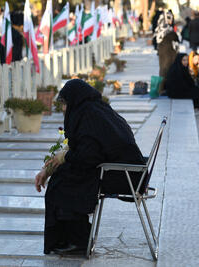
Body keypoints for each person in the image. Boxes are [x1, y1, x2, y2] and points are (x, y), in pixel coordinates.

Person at [34, 79, 145, 255]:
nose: (64, 109)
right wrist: (52, 167)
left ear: (75, 101)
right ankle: (72, 238)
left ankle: (77, 240)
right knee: (65, 175)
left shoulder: (90, 117)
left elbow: (88, 156)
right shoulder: (96, 111)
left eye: (65, 104)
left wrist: (63, 158)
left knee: (64, 182)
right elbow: (85, 152)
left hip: (124, 176)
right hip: (128, 172)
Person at [155, 10, 179, 94]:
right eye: (169, 18)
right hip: (168, 52)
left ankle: (162, 88)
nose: (171, 20)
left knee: (163, 70)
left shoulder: (159, 29)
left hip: (163, 52)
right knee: (168, 70)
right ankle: (166, 88)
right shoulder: (168, 29)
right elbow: (175, 40)